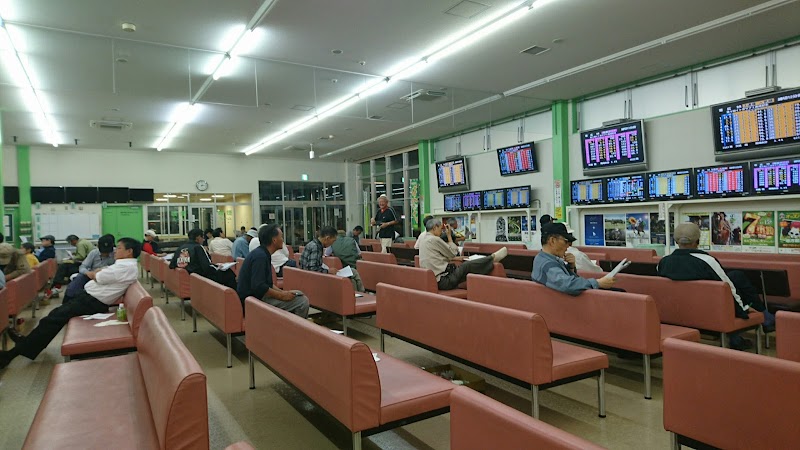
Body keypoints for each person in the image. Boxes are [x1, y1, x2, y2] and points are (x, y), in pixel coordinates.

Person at [0, 238, 142, 369]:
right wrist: (97, 273)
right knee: (53, 317)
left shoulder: (126, 267)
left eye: (119, 248)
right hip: (88, 299)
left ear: (129, 251)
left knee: (52, 319)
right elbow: (99, 273)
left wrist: (97, 273)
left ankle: (12, 354)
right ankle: (26, 345)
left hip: (92, 302)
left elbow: (99, 276)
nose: (115, 250)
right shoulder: (122, 265)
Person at [657, 222, 775, 349]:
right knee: (736, 279)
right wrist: (743, 309)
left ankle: (759, 322)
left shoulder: (663, 263)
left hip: (681, 310)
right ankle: (765, 318)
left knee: (735, 276)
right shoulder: (707, 261)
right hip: (711, 311)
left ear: (676, 241)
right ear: (698, 241)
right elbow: (727, 288)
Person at [237, 224, 309, 318]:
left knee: (298, 294)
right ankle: (296, 327)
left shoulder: (262, 253)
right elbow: (259, 287)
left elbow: (267, 284)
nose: (282, 240)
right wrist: (282, 296)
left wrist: (283, 293)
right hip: (253, 302)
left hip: (255, 298)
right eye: (281, 237)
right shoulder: (260, 257)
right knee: (302, 302)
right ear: (274, 240)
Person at [419, 218, 506, 291]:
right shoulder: (434, 239)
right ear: (435, 227)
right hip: (444, 281)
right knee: (467, 265)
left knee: (465, 270)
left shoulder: (423, 240)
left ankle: (489, 261)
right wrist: (449, 236)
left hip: (433, 280)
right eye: (440, 229)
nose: (442, 231)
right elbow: (453, 253)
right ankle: (492, 258)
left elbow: (438, 256)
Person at [532, 222, 615, 295]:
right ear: (552, 241)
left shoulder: (541, 258)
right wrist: (598, 283)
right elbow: (568, 285)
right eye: (565, 241)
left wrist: (570, 267)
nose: (568, 246)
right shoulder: (548, 265)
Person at [58, 234, 117, 306]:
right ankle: (66, 302)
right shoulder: (94, 253)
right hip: (92, 275)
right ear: (98, 247)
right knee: (78, 280)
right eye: (103, 251)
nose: (105, 254)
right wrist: (88, 273)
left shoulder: (116, 253)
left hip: (107, 276)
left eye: (107, 252)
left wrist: (104, 269)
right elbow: (83, 267)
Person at [170, 228, 237, 290]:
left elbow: (171, 265)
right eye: (203, 237)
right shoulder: (198, 247)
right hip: (200, 277)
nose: (204, 239)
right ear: (198, 237)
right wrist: (218, 266)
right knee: (228, 273)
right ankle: (234, 295)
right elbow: (207, 267)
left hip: (190, 277)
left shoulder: (180, 248)